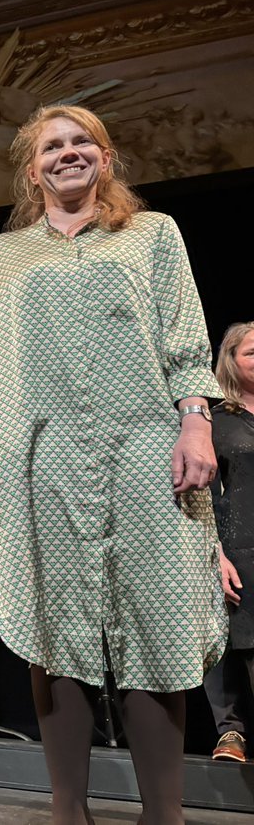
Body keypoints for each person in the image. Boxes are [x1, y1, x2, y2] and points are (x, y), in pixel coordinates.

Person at [0, 104, 226, 824]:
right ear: (32, 167)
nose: (68, 153)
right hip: (35, 452)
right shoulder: (2, 255)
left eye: (83, 143)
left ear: (106, 159)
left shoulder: (152, 234)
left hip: (144, 449)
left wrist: (195, 424)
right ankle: (67, 807)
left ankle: (162, 811)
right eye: (53, 146)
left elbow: (186, 343)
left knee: (155, 618)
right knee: (53, 621)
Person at [205, 322, 254, 763]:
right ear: (231, 362)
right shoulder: (218, 422)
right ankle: (230, 732)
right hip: (237, 547)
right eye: (252, 353)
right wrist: (214, 555)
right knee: (232, 639)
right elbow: (201, 496)